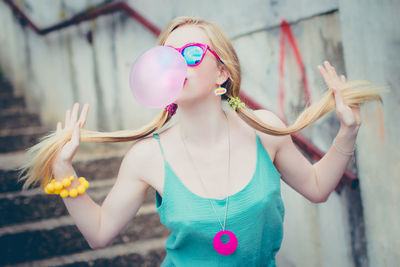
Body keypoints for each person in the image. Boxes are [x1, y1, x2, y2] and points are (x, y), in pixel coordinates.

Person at [18, 16, 385, 266]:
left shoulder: (264, 130)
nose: (178, 66)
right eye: (168, 58)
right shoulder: (147, 157)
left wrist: (347, 131)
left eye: (192, 55)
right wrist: (62, 170)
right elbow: (99, 233)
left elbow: (318, 187)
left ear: (222, 73)